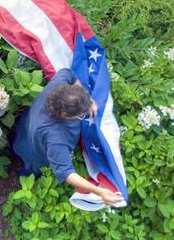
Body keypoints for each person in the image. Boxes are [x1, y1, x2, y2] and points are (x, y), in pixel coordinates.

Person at [12, 68, 121, 205]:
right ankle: (22, 175)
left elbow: (69, 73)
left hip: (25, 126)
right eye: (81, 114)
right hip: (36, 153)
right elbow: (67, 173)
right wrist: (99, 191)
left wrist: (89, 100)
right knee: (30, 168)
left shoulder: (59, 84)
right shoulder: (55, 136)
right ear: (65, 115)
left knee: (18, 141)